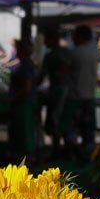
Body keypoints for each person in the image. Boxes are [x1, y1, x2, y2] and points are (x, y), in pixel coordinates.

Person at [39, 29, 72, 157]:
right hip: (68, 91)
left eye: (47, 39)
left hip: (58, 91)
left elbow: (42, 76)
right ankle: (67, 150)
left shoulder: (51, 56)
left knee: (55, 120)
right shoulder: (66, 53)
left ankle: (57, 150)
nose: (45, 43)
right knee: (65, 121)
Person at [69, 25, 99, 159]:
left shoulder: (75, 53)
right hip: (90, 95)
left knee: (73, 129)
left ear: (80, 36)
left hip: (76, 96)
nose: (72, 38)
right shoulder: (95, 51)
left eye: (74, 35)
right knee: (88, 130)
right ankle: (89, 155)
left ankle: (75, 156)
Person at [8, 40, 38, 158]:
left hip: (23, 104)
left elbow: (27, 88)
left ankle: (28, 158)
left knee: (25, 133)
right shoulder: (27, 64)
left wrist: (13, 98)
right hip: (24, 103)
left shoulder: (26, 66)